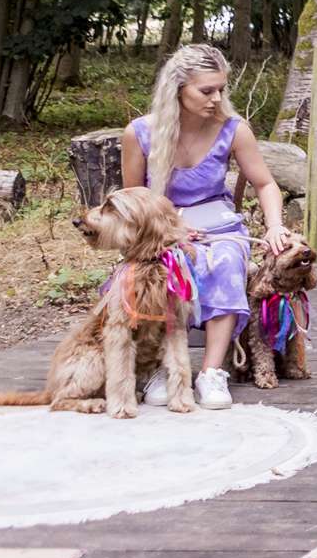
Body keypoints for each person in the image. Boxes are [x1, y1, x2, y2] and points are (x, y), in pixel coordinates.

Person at [123, 43, 298, 410]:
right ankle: (164, 367)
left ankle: (211, 372)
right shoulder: (139, 133)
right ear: (178, 89)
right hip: (161, 228)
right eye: (206, 90)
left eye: (221, 89)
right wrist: (170, 231)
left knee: (227, 260)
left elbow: (265, 183)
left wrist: (274, 226)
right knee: (168, 266)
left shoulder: (232, 129)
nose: (216, 99)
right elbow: (133, 201)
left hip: (218, 224)